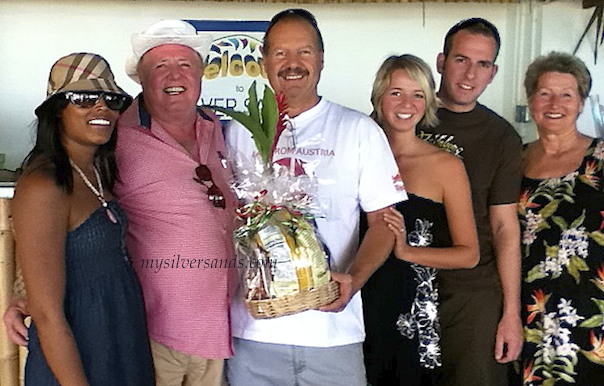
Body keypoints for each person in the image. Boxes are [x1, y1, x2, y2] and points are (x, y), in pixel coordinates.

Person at [4, 20, 238, 386]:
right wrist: (25, 293)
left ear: (201, 74)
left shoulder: (220, 129)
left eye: (110, 99)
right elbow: (45, 243)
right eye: (160, 66)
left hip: (192, 332)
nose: (100, 107)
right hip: (148, 334)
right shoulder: (113, 142)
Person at [224, 9, 407, 386]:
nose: (293, 64)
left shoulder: (358, 130)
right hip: (254, 335)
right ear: (263, 60)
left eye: (304, 52)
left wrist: (353, 280)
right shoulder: (236, 133)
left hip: (333, 335)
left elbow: (384, 225)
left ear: (321, 59)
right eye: (280, 53)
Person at [11, 52, 154, 386]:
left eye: (112, 99)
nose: (101, 107)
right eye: (84, 98)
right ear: (57, 110)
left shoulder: (98, 170)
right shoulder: (43, 186)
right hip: (79, 359)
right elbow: (47, 315)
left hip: (120, 343)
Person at [417, 18, 524, 386]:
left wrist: (511, 313)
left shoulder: (502, 137)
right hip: (405, 282)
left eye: (482, 64)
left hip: (472, 294)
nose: (469, 74)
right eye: (461, 60)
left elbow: (504, 227)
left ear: (493, 72)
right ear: (441, 61)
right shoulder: (404, 117)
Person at [362, 54, 479, 386]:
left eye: (418, 94)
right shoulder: (355, 152)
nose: (407, 103)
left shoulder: (446, 167)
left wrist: (408, 251)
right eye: (396, 92)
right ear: (379, 96)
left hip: (411, 309)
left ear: (428, 102)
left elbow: (469, 254)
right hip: (353, 298)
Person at [519, 52, 604, 385]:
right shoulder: (514, 159)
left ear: (581, 103)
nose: (554, 103)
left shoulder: (600, 156)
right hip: (530, 311)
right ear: (530, 101)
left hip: (592, 311)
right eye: (544, 93)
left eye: (566, 94)